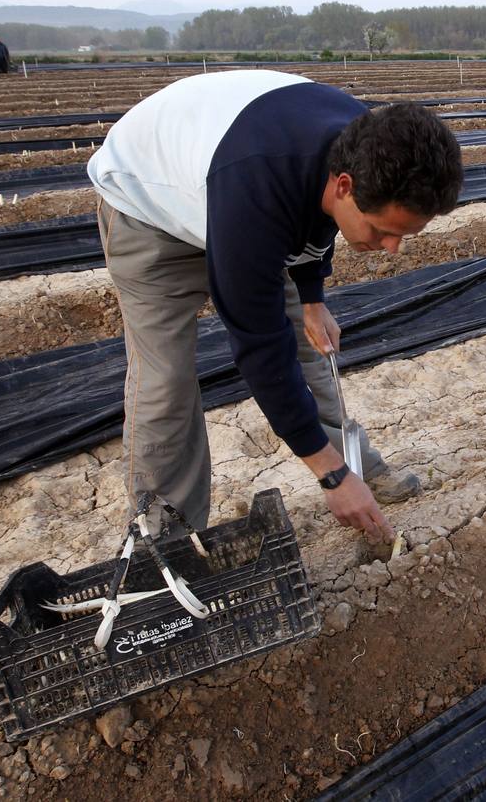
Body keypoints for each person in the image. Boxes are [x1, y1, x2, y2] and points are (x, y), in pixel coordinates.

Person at [87, 71, 463, 544]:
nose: (393, 248)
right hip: (147, 210)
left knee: (312, 351)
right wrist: (328, 478)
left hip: (233, 182)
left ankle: (357, 468)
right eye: (384, 230)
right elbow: (261, 350)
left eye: (405, 234)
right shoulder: (257, 199)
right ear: (345, 186)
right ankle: (165, 537)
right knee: (166, 381)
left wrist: (312, 298)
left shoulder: (363, 144)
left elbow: (315, 210)